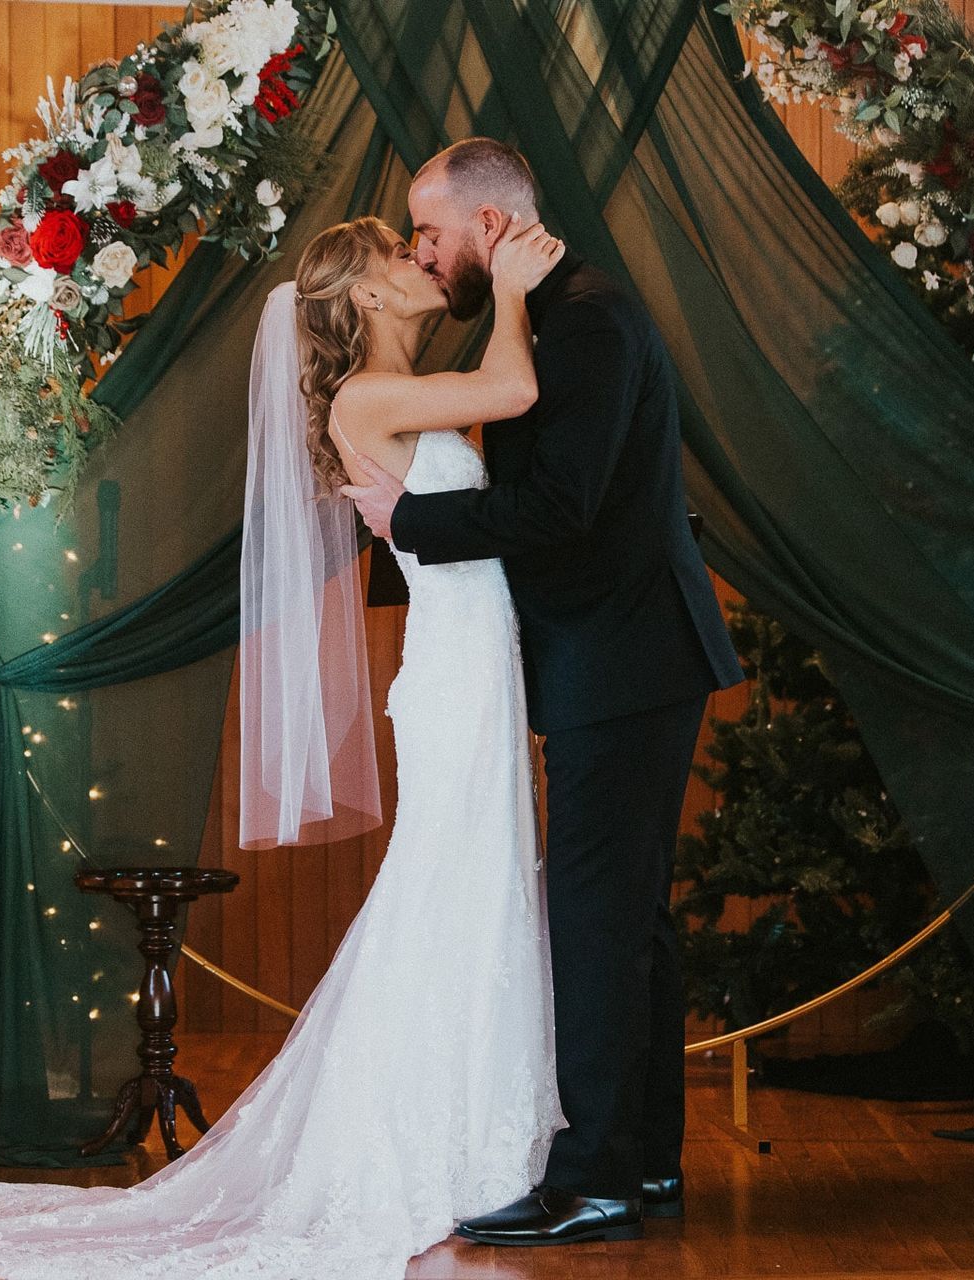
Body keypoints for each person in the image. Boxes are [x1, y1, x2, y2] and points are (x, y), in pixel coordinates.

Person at [0, 214, 577, 1279]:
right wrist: (509, 290)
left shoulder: (399, 388)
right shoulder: (370, 398)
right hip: (456, 676)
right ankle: (433, 1141)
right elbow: (513, 390)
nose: (420, 262)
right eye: (396, 254)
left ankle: (474, 1122)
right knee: (452, 890)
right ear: (364, 299)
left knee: (478, 887)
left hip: (478, 669)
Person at [342, 137, 744, 1247]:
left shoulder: (590, 323)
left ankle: (597, 1177)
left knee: (600, 918)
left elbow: (561, 506)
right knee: (630, 919)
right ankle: (646, 1163)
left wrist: (408, 526)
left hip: (625, 660)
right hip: (613, 658)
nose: (423, 250)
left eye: (430, 231)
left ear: (488, 226)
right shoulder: (550, 318)